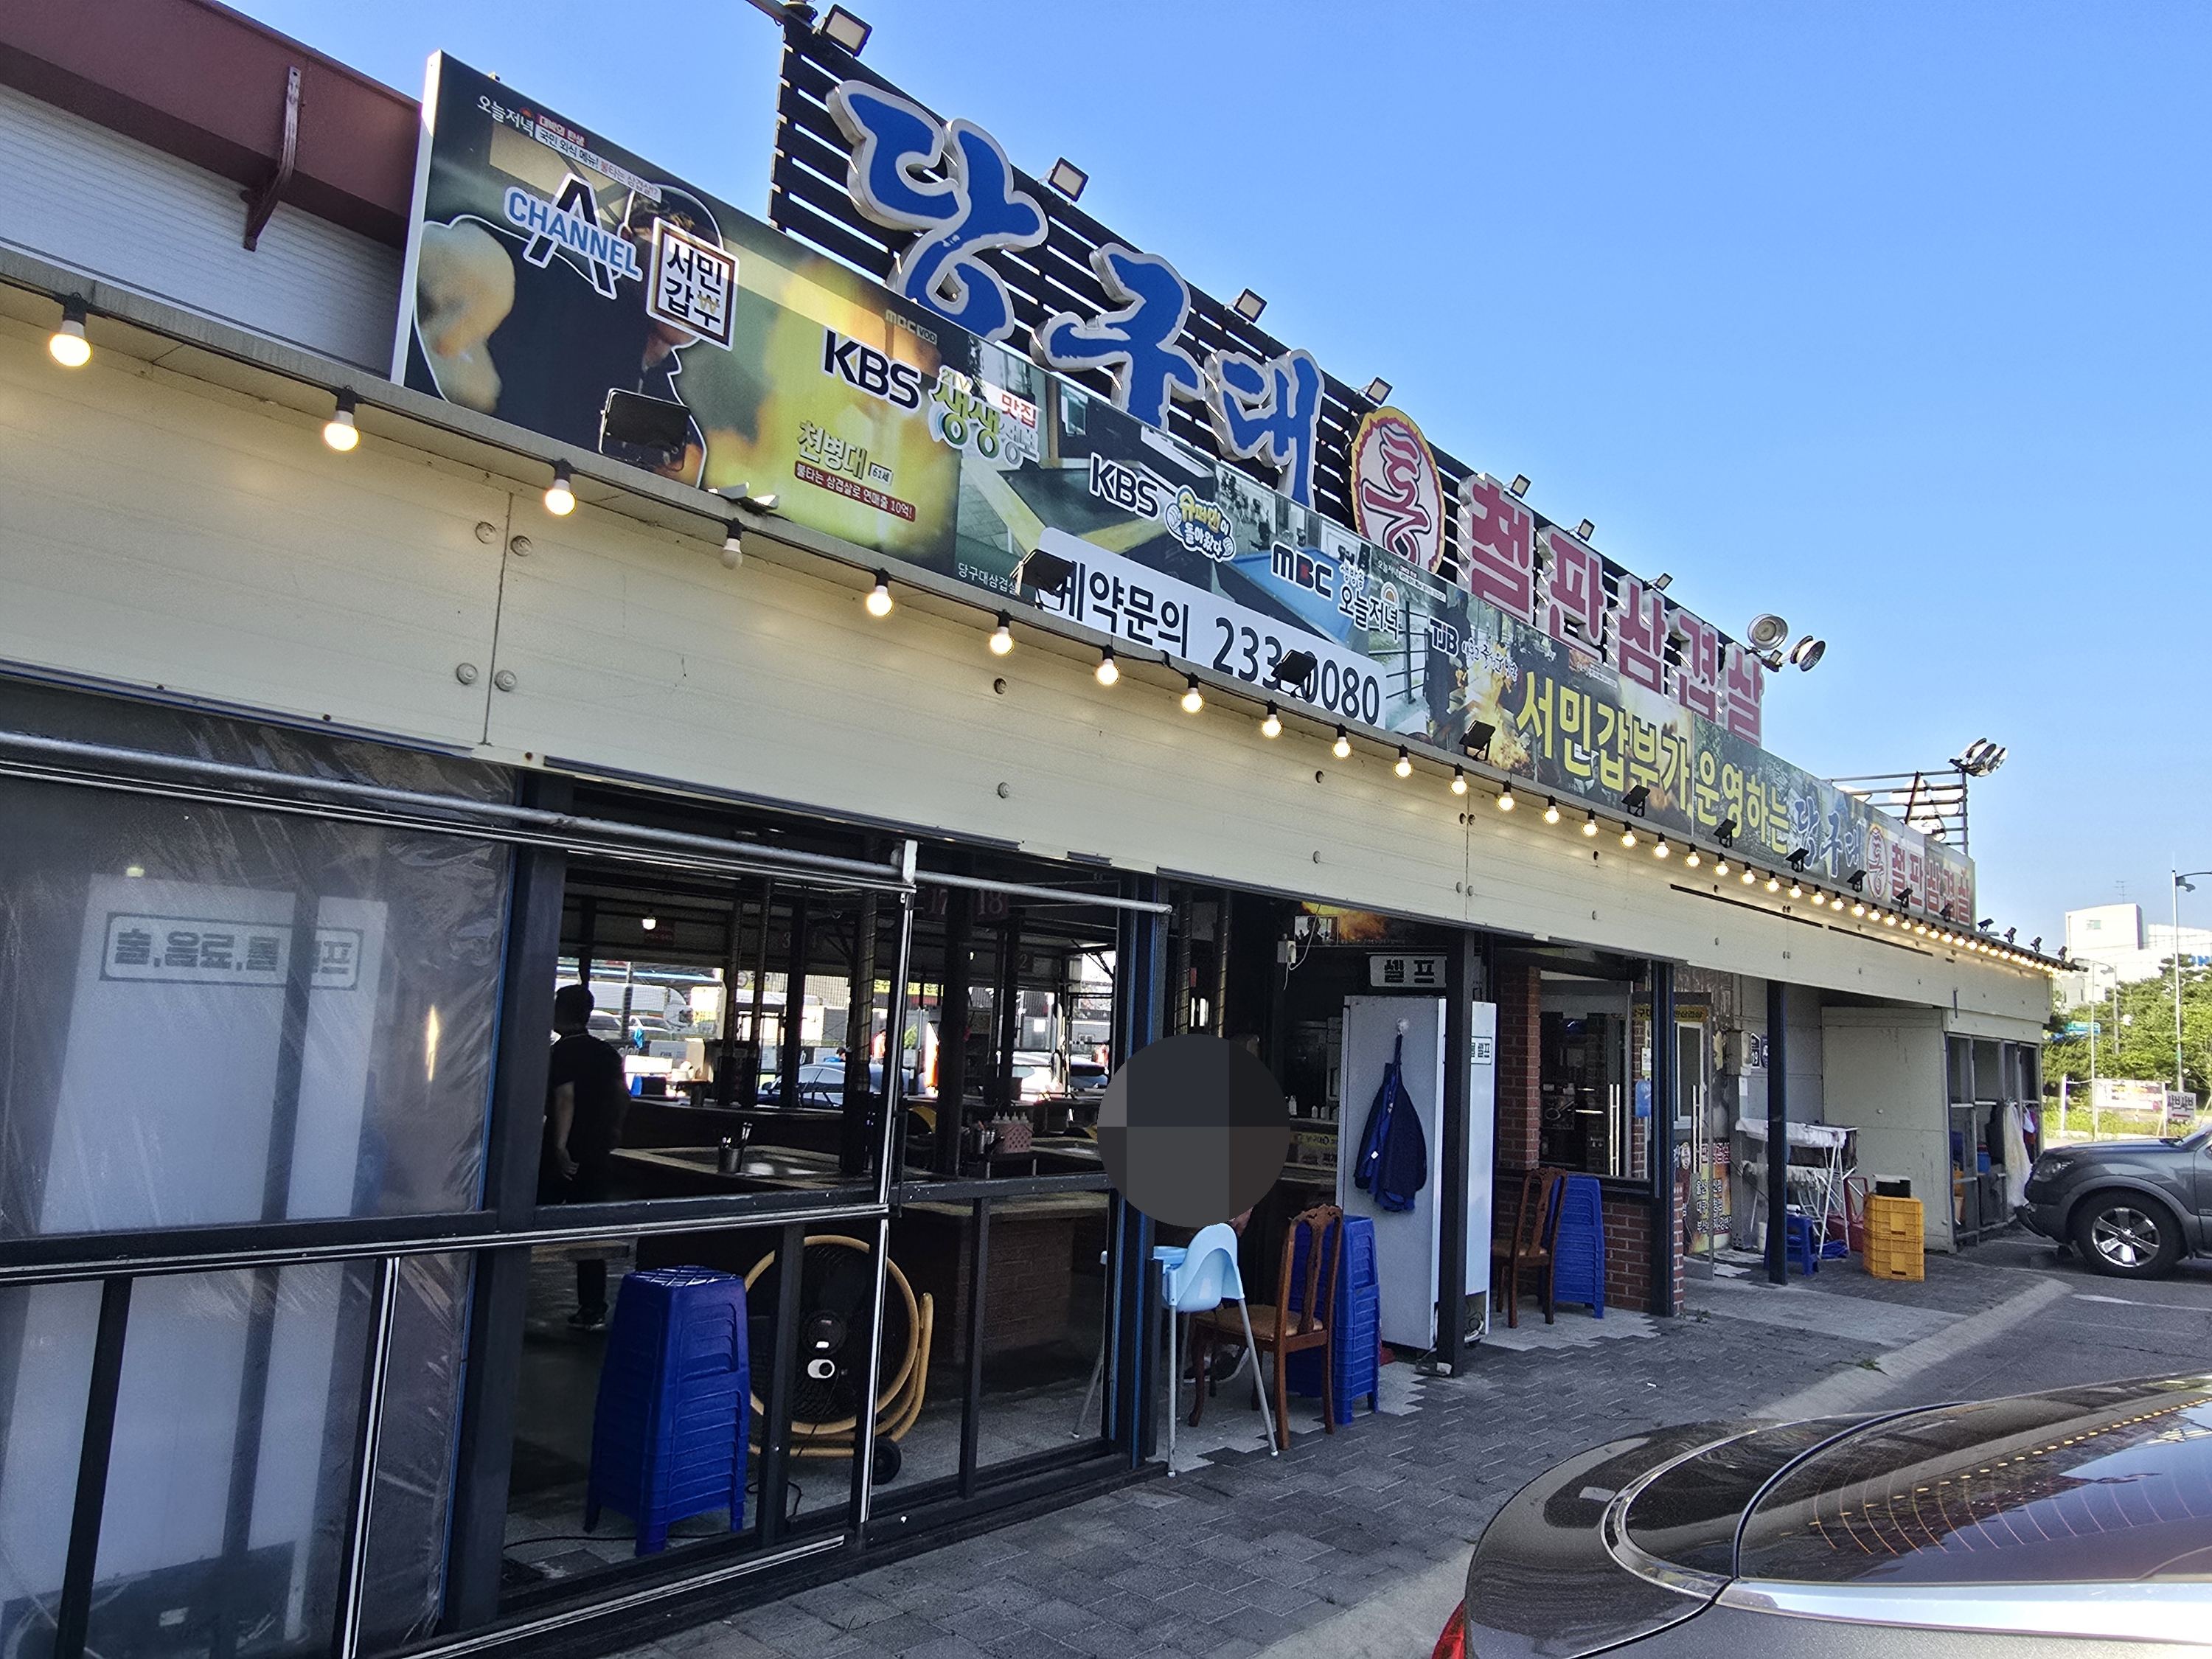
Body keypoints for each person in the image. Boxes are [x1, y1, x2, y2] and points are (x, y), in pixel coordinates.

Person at [543, 984, 629, 1329]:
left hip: (567, 1152)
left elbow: (565, 1099)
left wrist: (560, 1146)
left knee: (532, 1218)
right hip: (598, 1151)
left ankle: (506, 1291)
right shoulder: (607, 1053)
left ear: (562, 1012)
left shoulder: (562, 1053)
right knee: (590, 1232)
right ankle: (592, 1307)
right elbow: (623, 1095)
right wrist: (615, 1130)